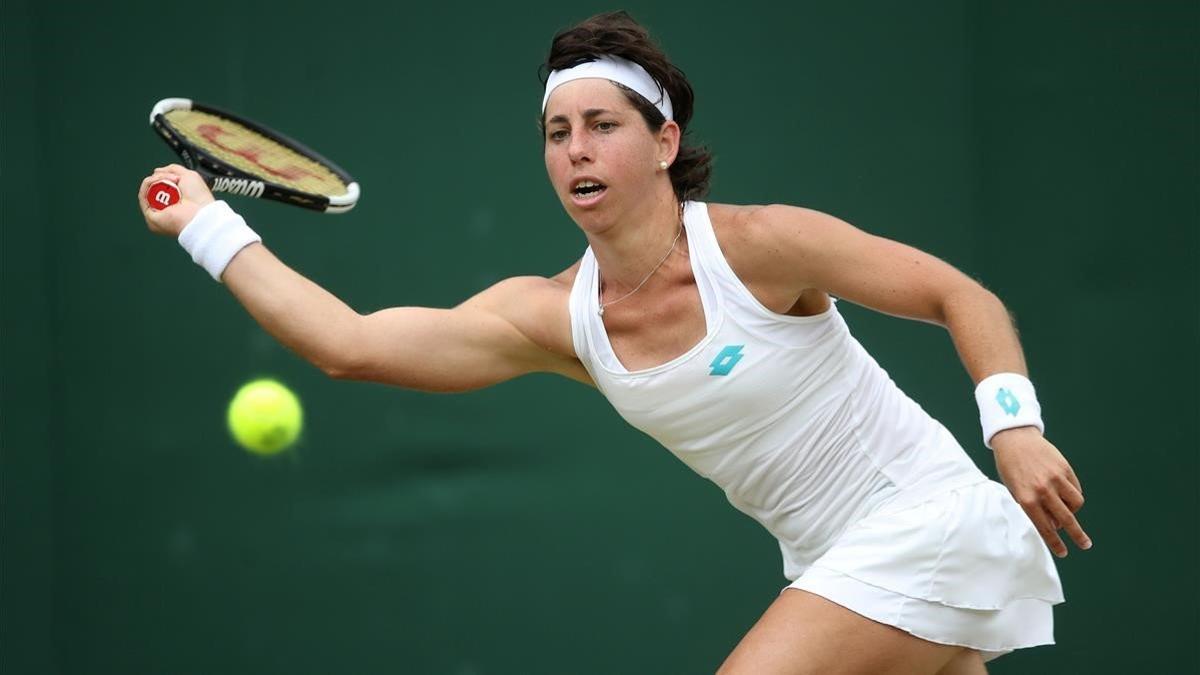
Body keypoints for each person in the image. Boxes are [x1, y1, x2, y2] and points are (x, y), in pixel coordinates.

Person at [137, 11, 1090, 675]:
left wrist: (1013, 424)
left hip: (924, 519)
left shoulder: (759, 245)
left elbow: (953, 291)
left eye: (601, 125)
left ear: (664, 142)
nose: (576, 150)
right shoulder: (554, 318)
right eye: (557, 132)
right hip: (829, 557)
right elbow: (349, 343)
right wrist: (207, 228)